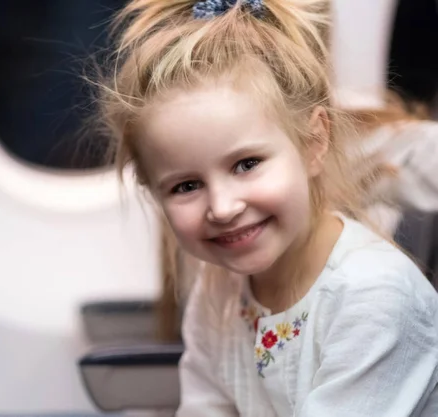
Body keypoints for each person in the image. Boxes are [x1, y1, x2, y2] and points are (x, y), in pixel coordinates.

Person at [96, 0, 438, 415]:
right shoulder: (220, 289)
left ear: (313, 144)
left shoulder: (373, 297)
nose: (222, 208)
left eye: (247, 164)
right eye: (186, 185)